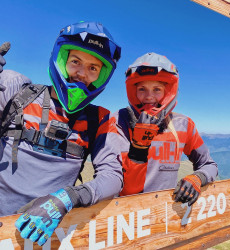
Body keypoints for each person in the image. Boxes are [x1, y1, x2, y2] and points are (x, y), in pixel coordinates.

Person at [0, 21, 122, 246]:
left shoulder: (100, 119)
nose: (82, 74)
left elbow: (113, 177)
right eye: (75, 61)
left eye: (93, 68)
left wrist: (68, 197)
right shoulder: (14, 90)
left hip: (46, 236)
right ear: (61, 59)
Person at [111, 52, 218, 205]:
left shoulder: (183, 124)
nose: (149, 96)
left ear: (168, 92)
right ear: (133, 92)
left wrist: (197, 178)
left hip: (165, 215)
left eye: (157, 89)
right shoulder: (117, 123)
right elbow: (126, 190)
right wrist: (138, 148)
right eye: (142, 89)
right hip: (126, 217)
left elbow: (209, 164)